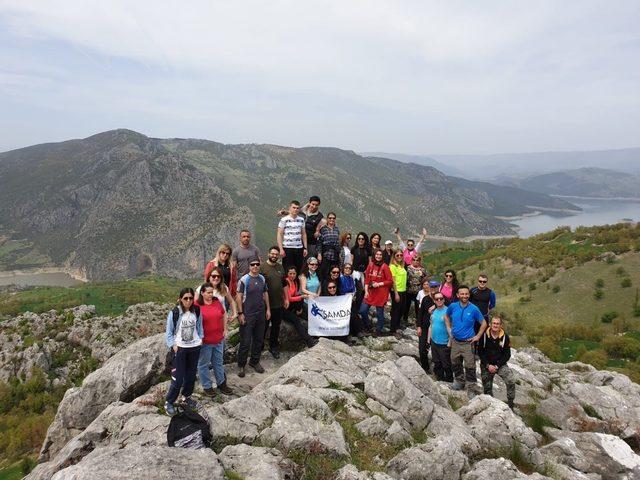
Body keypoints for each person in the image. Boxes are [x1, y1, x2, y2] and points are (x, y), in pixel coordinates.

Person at [165, 288, 204, 415]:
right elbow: (169, 332)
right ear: (180, 299)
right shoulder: (175, 312)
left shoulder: (197, 310)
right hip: (180, 349)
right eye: (185, 298)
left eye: (191, 298)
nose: (188, 301)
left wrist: (201, 339)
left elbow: (199, 326)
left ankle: (186, 398)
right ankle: (169, 402)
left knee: (191, 376)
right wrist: (173, 345)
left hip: (194, 347)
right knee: (178, 378)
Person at [445, 285, 487, 397]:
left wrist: (478, 336)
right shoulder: (453, 306)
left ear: (469, 295)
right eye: (462, 294)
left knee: (470, 366)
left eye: (466, 294)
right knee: (455, 362)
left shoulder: (474, 308)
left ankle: (472, 387)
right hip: (455, 341)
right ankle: (460, 382)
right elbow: (446, 316)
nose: (464, 296)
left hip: (468, 343)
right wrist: (449, 330)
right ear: (458, 295)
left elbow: (484, 323)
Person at [196, 283, 233, 397]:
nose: (211, 294)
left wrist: (225, 329)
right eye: (208, 292)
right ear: (202, 293)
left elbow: (223, 315)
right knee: (203, 364)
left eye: (212, 292)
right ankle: (207, 386)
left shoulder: (216, 302)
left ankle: (221, 383)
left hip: (218, 339)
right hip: (205, 341)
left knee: (218, 363)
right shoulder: (197, 305)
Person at [235, 259, 271, 378]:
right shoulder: (244, 279)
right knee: (245, 341)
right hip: (247, 313)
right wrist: (240, 313)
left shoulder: (262, 278)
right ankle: (241, 364)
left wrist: (268, 309)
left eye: (257, 265)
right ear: (249, 266)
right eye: (252, 265)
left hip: (260, 313)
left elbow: (265, 294)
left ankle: (254, 361)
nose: (255, 266)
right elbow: (239, 297)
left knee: (258, 339)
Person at [478, 316, 516, 409]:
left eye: (497, 323)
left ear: (500, 325)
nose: (495, 325)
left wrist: (497, 366)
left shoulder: (505, 337)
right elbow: (480, 352)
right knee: (487, 388)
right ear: (490, 324)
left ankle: (510, 403)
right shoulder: (484, 335)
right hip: (486, 365)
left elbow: (507, 355)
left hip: (500, 364)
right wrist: (488, 365)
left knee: (511, 380)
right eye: (494, 323)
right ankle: (491, 405)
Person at [359, 248, 393, 336]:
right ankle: (368, 325)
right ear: (374, 255)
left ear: (382, 256)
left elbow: (390, 281)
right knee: (362, 310)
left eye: (380, 255)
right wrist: (366, 291)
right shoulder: (370, 265)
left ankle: (378, 330)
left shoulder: (385, 267)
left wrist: (379, 283)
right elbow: (367, 279)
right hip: (370, 292)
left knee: (379, 313)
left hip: (381, 293)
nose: (378, 256)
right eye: (377, 254)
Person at [282, 266, 318, 347]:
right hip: (285, 308)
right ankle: (309, 341)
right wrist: (302, 297)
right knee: (296, 321)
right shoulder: (286, 282)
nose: (292, 275)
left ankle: (316, 334)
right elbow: (290, 298)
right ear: (287, 274)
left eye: (294, 273)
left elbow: (295, 295)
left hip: (293, 306)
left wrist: (299, 307)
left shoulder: (295, 282)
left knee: (308, 314)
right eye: (290, 273)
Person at [261, 246, 286, 359]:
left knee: (276, 327)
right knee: (263, 327)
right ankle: (259, 347)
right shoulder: (262, 268)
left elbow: (284, 284)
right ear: (268, 254)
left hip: (278, 303)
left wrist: (286, 299)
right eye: (272, 254)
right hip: (266, 305)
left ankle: (273, 347)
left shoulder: (280, 267)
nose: (274, 256)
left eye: (276, 254)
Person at [427, 293, 453, 381]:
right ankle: (440, 380)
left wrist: (450, 342)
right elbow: (431, 325)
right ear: (434, 301)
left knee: (446, 364)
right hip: (434, 341)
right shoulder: (434, 311)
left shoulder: (448, 311)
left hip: (444, 343)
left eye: (441, 298)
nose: (439, 300)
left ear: (444, 300)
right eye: (437, 299)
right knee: (437, 363)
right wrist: (428, 340)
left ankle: (449, 381)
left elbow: (452, 327)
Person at [277, 200, 308, 273]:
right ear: (290, 208)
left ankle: (297, 284)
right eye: (294, 207)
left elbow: (304, 234)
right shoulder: (284, 219)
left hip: (299, 248)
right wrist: (281, 249)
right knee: (287, 269)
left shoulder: (301, 220)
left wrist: (305, 248)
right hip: (287, 247)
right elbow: (279, 234)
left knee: (298, 268)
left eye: (297, 208)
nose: (295, 209)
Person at [416, 280, 439, 371]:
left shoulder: (441, 298)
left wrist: (436, 306)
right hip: (425, 327)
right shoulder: (425, 299)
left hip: (437, 328)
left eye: (435, 287)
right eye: (431, 287)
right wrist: (419, 326)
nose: (433, 289)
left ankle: (438, 371)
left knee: (437, 350)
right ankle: (425, 368)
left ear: (438, 287)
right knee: (422, 349)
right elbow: (420, 313)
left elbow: (448, 308)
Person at [339, 263, 364, 338]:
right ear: (343, 269)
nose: (348, 269)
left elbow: (354, 289)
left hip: (351, 300)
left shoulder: (351, 278)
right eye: (346, 268)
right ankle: (353, 332)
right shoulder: (340, 279)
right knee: (351, 316)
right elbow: (340, 290)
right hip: (343, 301)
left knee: (355, 315)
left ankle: (356, 331)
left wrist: (353, 295)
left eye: (349, 268)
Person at [405, 255, 428, 325]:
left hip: (418, 291)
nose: (415, 261)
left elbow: (426, 278)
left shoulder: (423, 270)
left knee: (418, 307)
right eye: (414, 260)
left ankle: (418, 322)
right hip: (408, 290)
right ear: (411, 260)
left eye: (417, 260)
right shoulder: (408, 268)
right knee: (406, 306)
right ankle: (404, 319)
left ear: (419, 261)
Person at [317, 212, 341, 280]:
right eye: (330, 218)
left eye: (333, 218)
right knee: (324, 273)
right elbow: (319, 242)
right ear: (327, 219)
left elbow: (338, 242)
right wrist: (319, 254)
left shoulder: (337, 229)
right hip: (325, 254)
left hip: (335, 255)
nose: (332, 219)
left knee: (334, 273)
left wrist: (339, 253)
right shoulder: (323, 229)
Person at [389, 249, 407, 335]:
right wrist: (396, 294)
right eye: (397, 255)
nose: (399, 256)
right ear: (394, 256)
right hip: (397, 291)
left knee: (401, 309)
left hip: (403, 290)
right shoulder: (392, 266)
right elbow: (393, 281)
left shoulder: (402, 266)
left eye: (401, 255)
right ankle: (392, 330)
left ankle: (397, 325)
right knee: (396, 310)